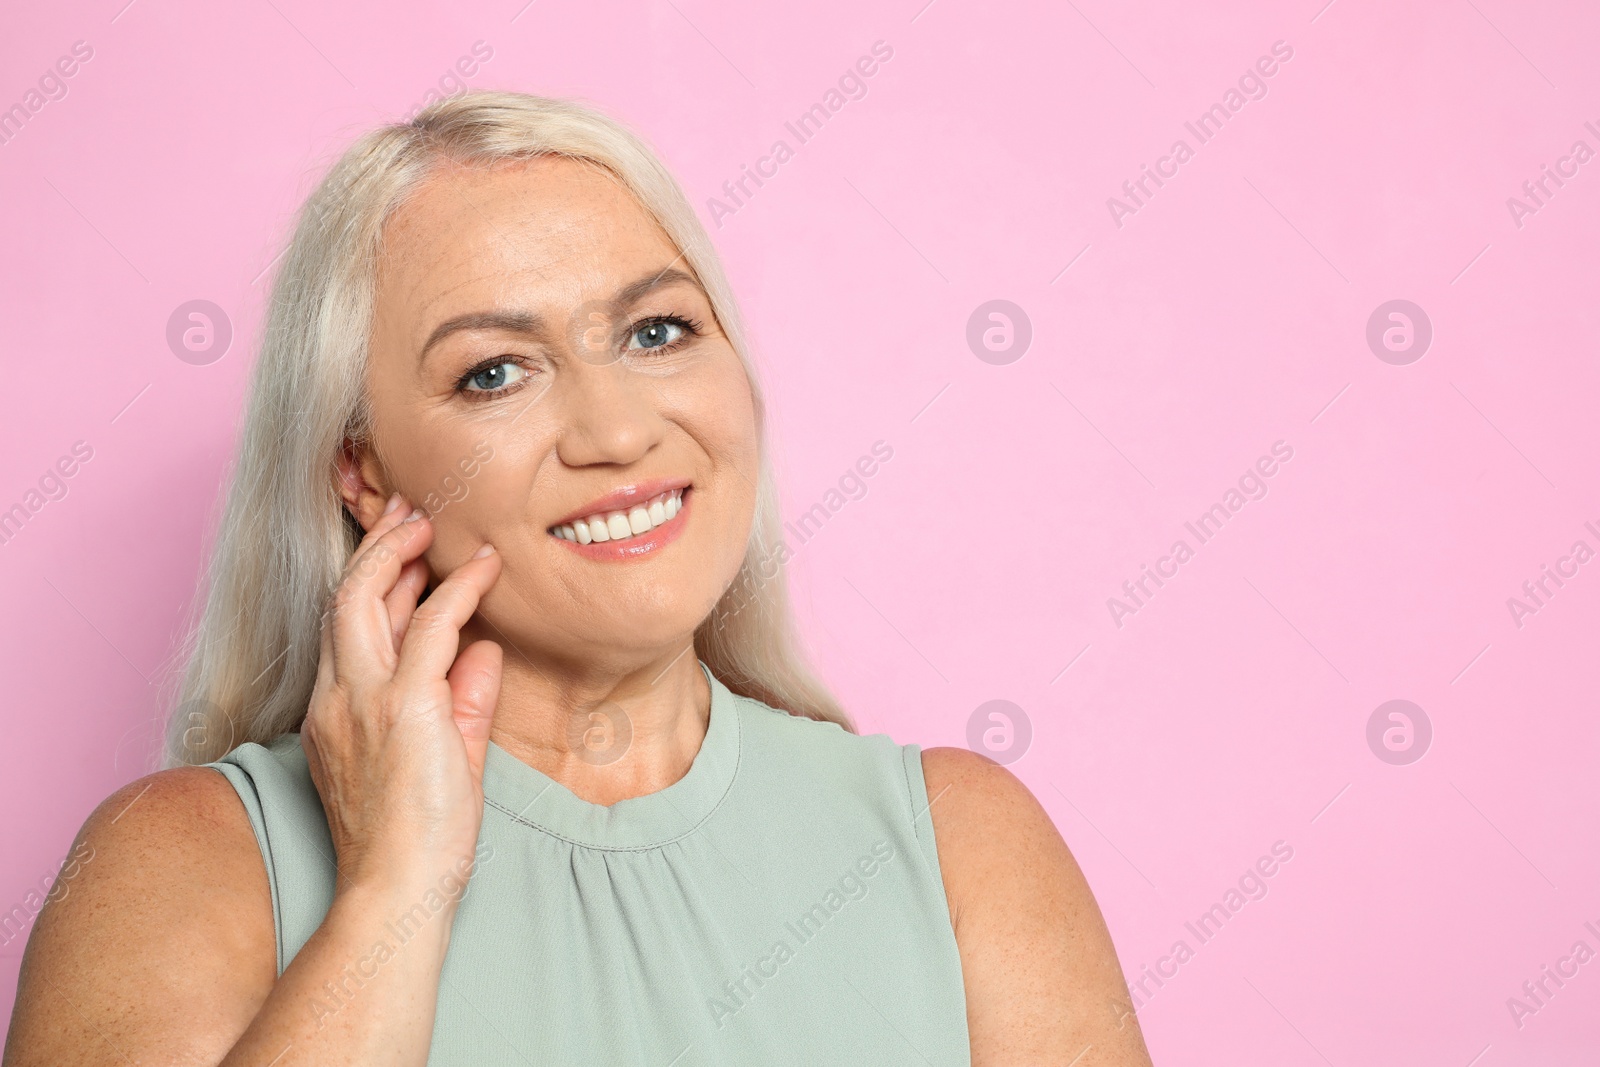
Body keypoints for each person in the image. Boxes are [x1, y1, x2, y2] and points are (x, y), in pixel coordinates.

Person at [4, 91, 1153, 1066]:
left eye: (656, 331)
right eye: (496, 371)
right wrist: (394, 890)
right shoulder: (183, 861)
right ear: (362, 469)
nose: (614, 430)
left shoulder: (962, 843)